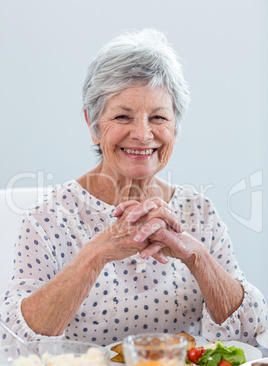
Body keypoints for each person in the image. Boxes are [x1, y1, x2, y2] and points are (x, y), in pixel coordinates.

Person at [0, 29, 266, 347]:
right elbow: (13, 343)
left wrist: (197, 258)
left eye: (158, 117)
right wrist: (96, 253)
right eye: (123, 116)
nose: (142, 134)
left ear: (175, 127)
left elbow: (253, 335)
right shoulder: (48, 217)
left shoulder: (200, 212)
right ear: (93, 125)